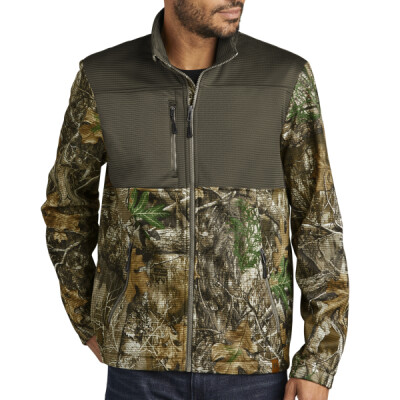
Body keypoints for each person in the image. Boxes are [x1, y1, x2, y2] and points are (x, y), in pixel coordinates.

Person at [40, 1, 349, 399]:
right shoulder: (104, 78)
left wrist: (319, 362)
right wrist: (87, 317)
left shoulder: (283, 78)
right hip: (140, 368)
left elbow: (317, 221)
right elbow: (66, 206)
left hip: (250, 364)